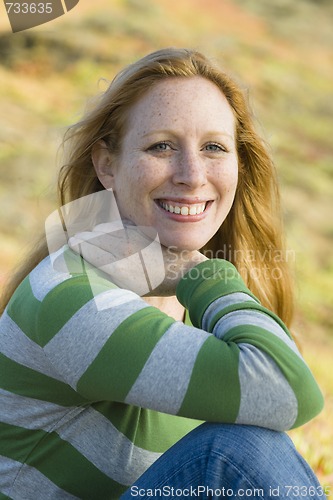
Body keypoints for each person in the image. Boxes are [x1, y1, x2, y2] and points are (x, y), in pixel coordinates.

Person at [0, 48, 327, 499]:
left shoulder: (188, 307)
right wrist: (205, 275)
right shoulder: (72, 297)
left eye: (213, 147)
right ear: (106, 164)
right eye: (161, 146)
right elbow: (290, 392)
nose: (192, 175)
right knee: (234, 451)